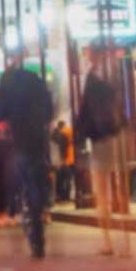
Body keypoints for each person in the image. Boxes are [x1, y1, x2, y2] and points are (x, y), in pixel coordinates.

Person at [0, 60, 53, 260]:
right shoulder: (36, 80)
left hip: (20, 136)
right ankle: (41, 207)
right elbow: (49, 108)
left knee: (20, 174)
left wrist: (0, 122)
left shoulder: (7, 83)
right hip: (38, 136)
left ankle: (23, 206)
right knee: (39, 171)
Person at [75, 45, 120, 256]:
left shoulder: (93, 80)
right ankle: (110, 238)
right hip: (113, 136)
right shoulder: (112, 75)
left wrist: (79, 137)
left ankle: (108, 241)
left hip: (100, 139)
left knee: (100, 192)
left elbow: (85, 112)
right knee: (107, 189)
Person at [51, 120, 74, 204]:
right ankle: (65, 196)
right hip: (65, 160)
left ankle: (60, 196)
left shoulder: (53, 135)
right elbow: (64, 147)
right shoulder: (64, 134)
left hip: (58, 160)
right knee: (67, 178)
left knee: (60, 179)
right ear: (63, 126)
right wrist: (63, 159)